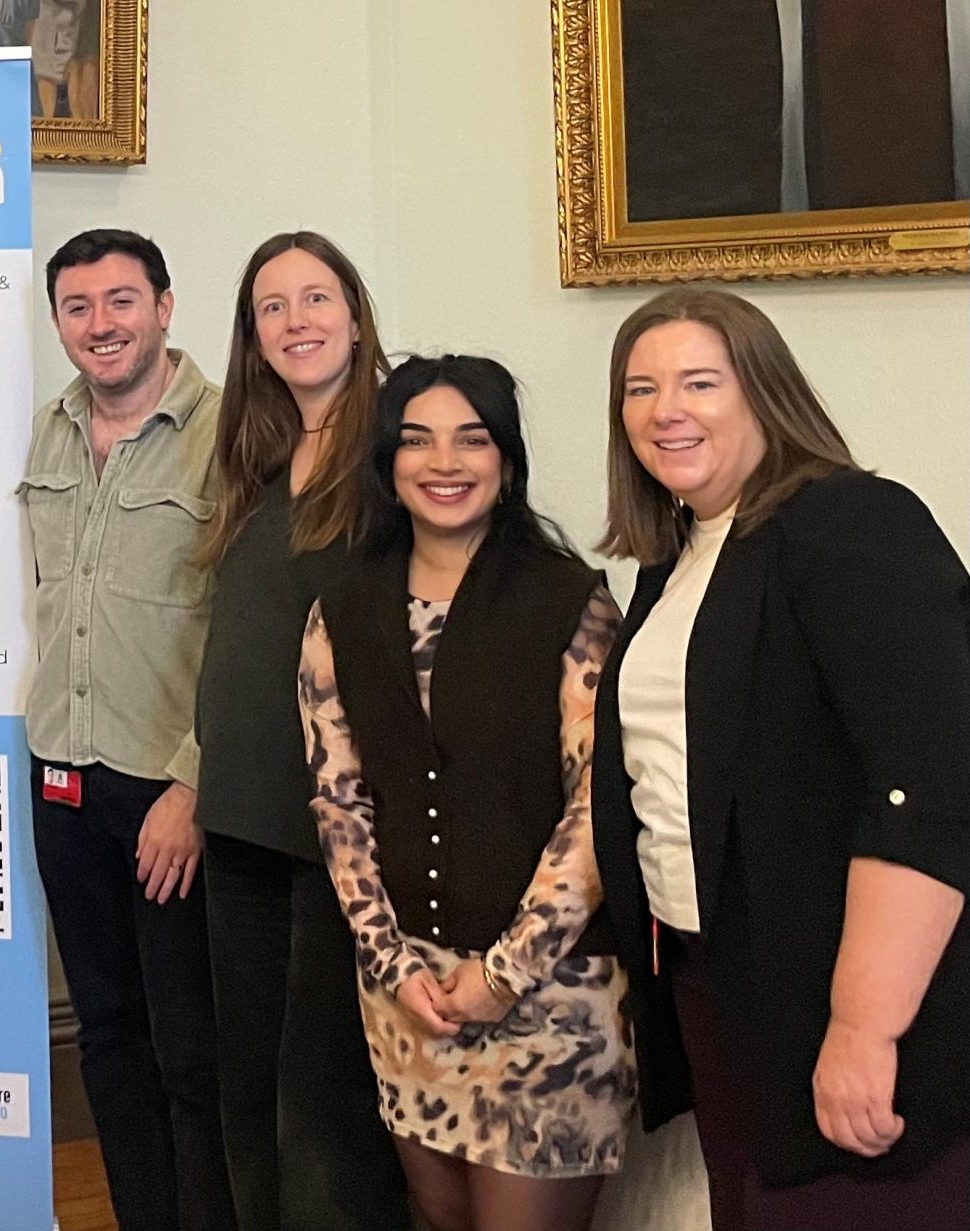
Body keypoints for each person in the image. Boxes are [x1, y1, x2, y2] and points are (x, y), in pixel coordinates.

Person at [593, 288, 970, 1230]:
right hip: (722, 992)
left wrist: (864, 1025)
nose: (664, 409)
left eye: (698, 381)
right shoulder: (674, 560)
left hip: (852, 999)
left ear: (764, 391)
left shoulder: (851, 522)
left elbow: (929, 782)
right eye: (640, 388)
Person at [298, 355, 633, 1231]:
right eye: (417, 441)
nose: (444, 462)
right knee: (439, 1218)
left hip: (551, 994)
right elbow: (339, 802)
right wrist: (392, 963)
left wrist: (505, 971)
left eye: (471, 439)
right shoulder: (342, 606)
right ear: (388, 464)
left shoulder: (573, 601)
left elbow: (598, 804)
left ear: (507, 462)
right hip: (409, 995)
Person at [191, 231, 411, 1231]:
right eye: (270, 307)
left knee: (321, 1095)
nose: (295, 322)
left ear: (355, 314)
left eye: (315, 298)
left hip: (339, 832)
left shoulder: (400, 443)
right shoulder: (256, 456)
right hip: (239, 813)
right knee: (248, 1080)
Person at [18, 228, 233, 1231]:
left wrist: (194, 785)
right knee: (106, 1030)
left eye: (119, 301)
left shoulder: (231, 438)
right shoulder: (47, 431)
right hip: (62, 774)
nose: (99, 326)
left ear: (164, 305)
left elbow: (254, 630)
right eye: (77, 307)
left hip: (170, 789)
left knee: (189, 1045)